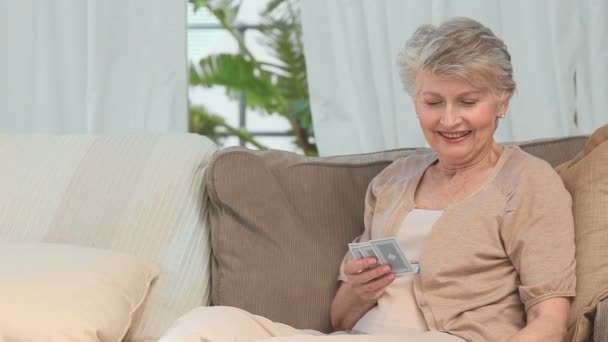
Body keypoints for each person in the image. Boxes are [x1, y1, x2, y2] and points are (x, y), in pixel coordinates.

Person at [159, 17, 575, 342]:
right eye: (433, 102)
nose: (449, 120)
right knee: (207, 324)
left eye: (468, 101)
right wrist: (359, 289)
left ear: (503, 100)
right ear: (416, 100)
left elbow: (550, 318)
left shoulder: (527, 181)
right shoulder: (392, 182)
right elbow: (340, 318)